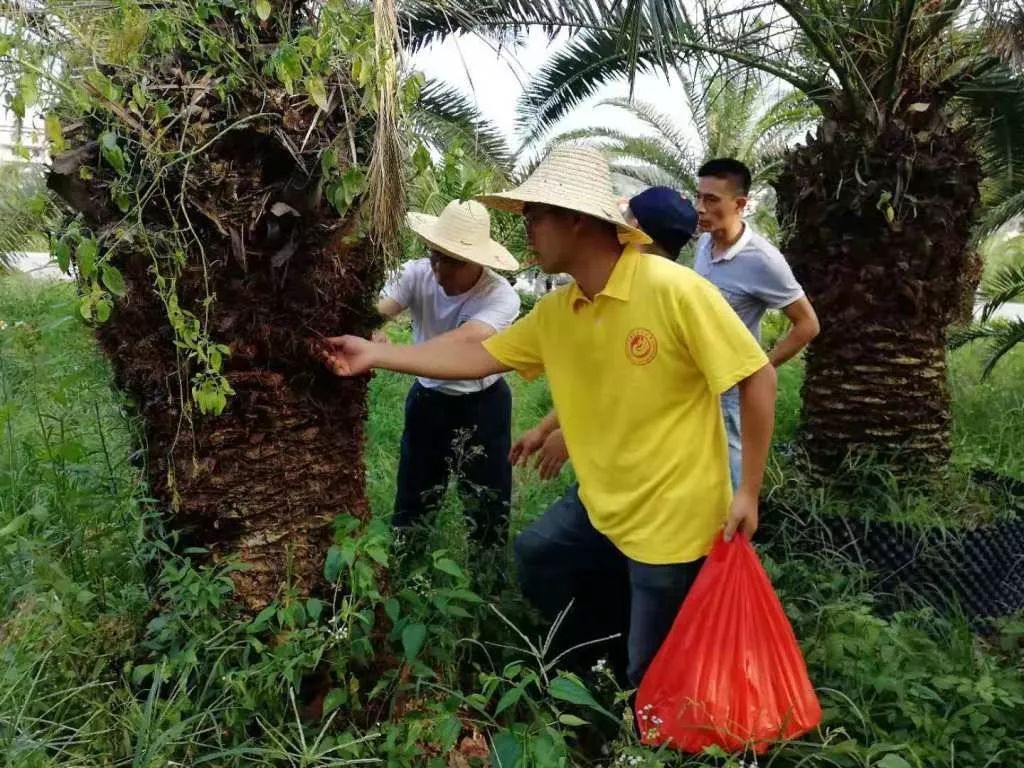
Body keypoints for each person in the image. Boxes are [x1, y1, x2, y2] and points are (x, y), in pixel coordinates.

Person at [322, 145, 777, 686]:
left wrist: (747, 489)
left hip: (673, 519)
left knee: (650, 668)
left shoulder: (673, 290)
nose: (527, 230)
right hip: (600, 504)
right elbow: (479, 356)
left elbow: (759, 377)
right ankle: (598, 657)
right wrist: (377, 353)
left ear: (579, 222)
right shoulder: (559, 311)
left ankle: (638, 716)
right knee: (538, 556)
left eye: (535, 216)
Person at [513, 186, 700, 480]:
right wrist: (546, 429)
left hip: (652, 483)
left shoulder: (655, 296)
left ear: (633, 227)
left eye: (623, 217)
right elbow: (603, 384)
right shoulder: (611, 291)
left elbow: (636, 400)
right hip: (609, 477)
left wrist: (572, 436)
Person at [375, 199, 521, 550]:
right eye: (435, 256)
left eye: (453, 261)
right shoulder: (415, 273)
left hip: (484, 406)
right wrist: (371, 328)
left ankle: (488, 581)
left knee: (487, 501)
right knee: (413, 494)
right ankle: (404, 563)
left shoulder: (500, 296)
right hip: (428, 401)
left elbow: (464, 342)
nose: (440, 269)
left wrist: (382, 354)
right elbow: (379, 310)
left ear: (479, 263)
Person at [693, 158, 819, 488]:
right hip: (694, 379)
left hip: (731, 386)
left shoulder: (764, 261)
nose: (700, 208)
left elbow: (808, 324)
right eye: (698, 197)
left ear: (740, 204)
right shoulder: (704, 243)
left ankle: (736, 535)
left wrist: (763, 368)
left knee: (732, 470)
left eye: (711, 200)